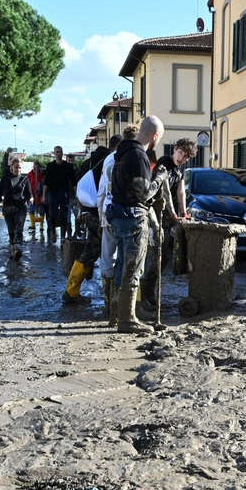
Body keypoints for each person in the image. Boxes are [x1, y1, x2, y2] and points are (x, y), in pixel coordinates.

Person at [107, 115, 163, 334]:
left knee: (121, 266)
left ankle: (115, 315)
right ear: (155, 136)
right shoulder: (139, 155)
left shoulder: (120, 154)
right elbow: (144, 193)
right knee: (133, 268)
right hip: (133, 218)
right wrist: (158, 178)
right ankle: (128, 319)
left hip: (118, 216)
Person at [140, 138, 198, 317]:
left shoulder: (179, 170)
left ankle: (149, 294)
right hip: (155, 216)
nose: (182, 158)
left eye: (186, 157)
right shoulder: (164, 163)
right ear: (175, 149)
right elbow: (164, 190)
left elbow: (180, 191)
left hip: (167, 219)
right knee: (158, 257)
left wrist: (183, 211)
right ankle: (144, 295)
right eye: (181, 153)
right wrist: (174, 213)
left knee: (164, 259)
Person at [63, 139, 113, 304]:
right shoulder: (111, 161)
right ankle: (109, 298)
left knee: (90, 250)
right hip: (101, 215)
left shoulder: (87, 162)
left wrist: (80, 212)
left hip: (87, 212)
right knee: (107, 254)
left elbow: (79, 187)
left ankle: (71, 290)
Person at [96, 131, 132, 316]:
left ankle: (109, 303)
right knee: (126, 258)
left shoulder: (108, 160)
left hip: (109, 211)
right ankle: (124, 305)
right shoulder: (132, 157)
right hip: (126, 214)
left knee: (107, 257)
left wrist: (101, 216)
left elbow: (101, 190)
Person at [0, 152, 30, 259]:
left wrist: (30, 198)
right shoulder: (5, 178)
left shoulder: (25, 179)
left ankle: (18, 247)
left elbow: (28, 193)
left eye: (20, 168)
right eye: (16, 167)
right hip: (8, 207)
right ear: (11, 167)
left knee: (19, 227)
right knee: (11, 229)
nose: (18, 170)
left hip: (21, 207)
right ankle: (13, 250)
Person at [43, 146, 73, 244]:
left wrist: (77, 194)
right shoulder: (50, 166)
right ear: (54, 153)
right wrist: (44, 195)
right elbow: (46, 182)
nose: (59, 153)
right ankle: (52, 231)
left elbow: (74, 181)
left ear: (62, 153)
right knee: (53, 214)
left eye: (61, 152)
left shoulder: (68, 166)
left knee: (65, 216)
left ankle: (63, 238)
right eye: (57, 152)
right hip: (52, 194)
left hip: (64, 194)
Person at [26, 159, 46, 241]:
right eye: (34, 168)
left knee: (41, 211)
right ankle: (33, 224)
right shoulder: (29, 175)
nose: (35, 170)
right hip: (32, 195)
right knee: (31, 210)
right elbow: (27, 184)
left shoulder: (42, 176)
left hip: (40, 196)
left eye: (36, 168)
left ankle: (41, 226)